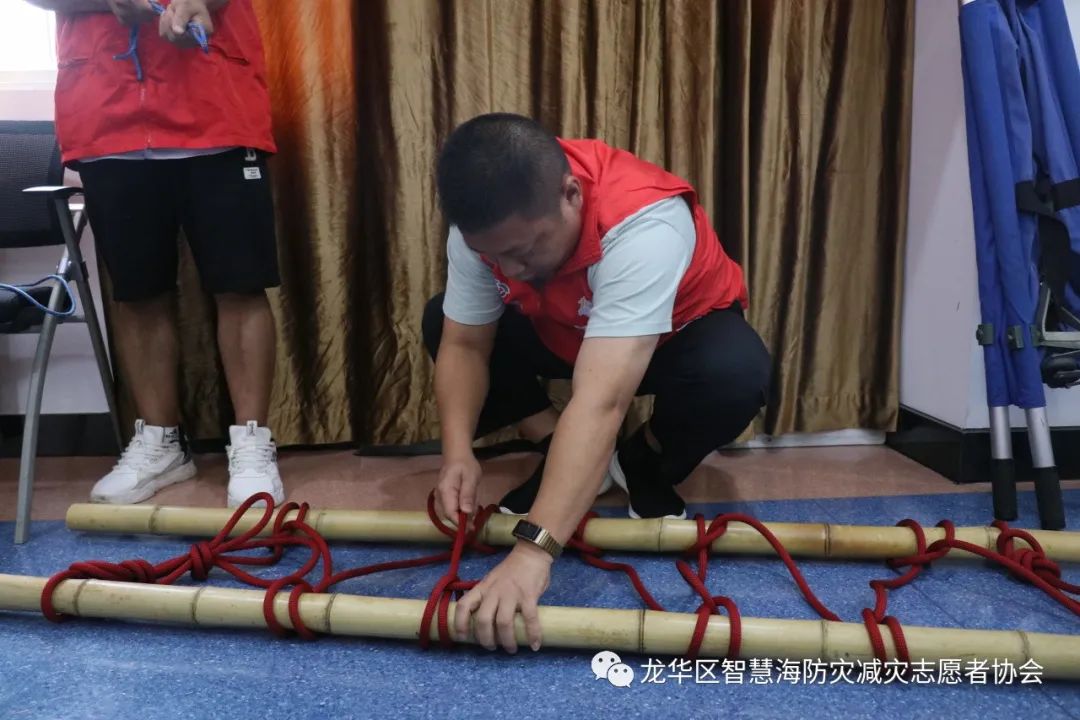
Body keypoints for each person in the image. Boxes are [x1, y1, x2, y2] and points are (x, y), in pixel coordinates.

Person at [422, 113, 772, 654]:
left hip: (673, 337)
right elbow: (465, 345)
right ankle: (553, 447)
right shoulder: (483, 229)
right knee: (441, 317)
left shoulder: (643, 222)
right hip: (564, 329)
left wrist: (532, 554)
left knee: (736, 373)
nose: (511, 269)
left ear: (571, 194)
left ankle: (643, 460)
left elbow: (602, 401)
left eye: (525, 249)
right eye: (496, 256)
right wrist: (457, 453)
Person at [28, 0, 283, 507]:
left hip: (216, 108)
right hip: (108, 116)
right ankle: (162, 444)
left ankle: (253, 442)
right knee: (137, 292)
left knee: (240, 285)